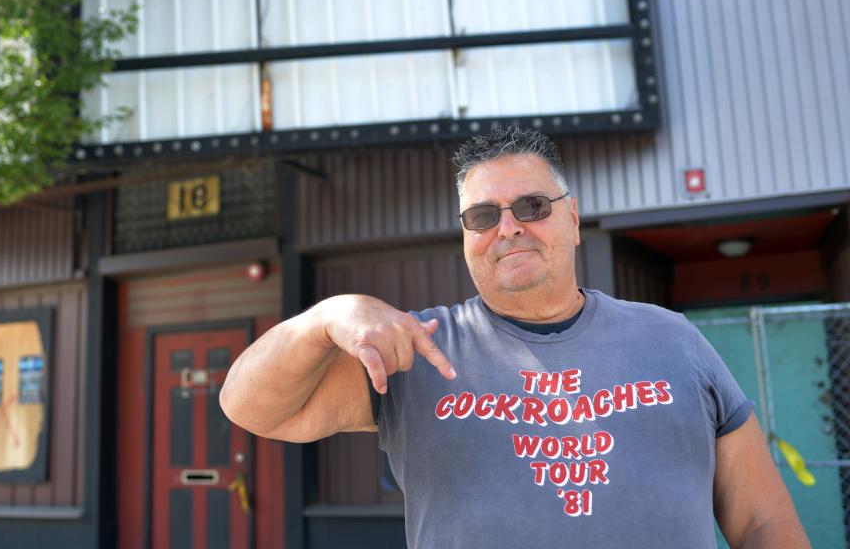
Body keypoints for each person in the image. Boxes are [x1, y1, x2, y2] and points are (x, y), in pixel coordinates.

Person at [220, 126, 809, 548]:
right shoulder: (416, 349)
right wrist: (325, 316)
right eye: (483, 215)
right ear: (466, 236)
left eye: (532, 205)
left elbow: (760, 521)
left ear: (573, 220)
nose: (508, 228)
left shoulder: (675, 339)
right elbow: (249, 407)